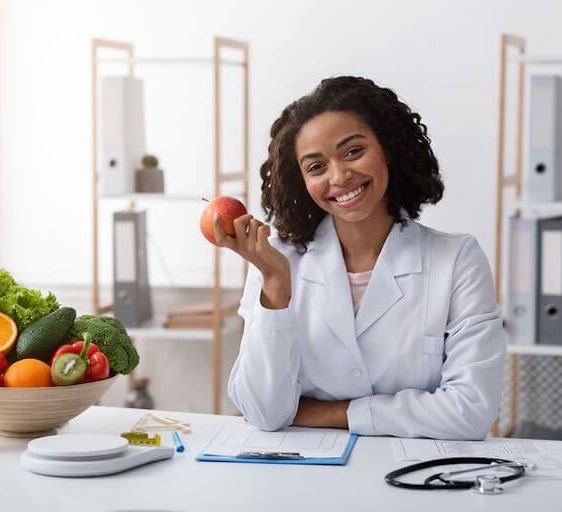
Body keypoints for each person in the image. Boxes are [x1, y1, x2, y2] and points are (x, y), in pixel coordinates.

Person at [214, 76, 506, 440]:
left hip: (417, 481)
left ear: (389, 148)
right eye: (316, 167)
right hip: (301, 478)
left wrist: (330, 412)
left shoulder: (458, 260)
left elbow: (471, 412)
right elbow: (262, 412)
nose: (339, 176)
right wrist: (275, 287)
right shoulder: (277, 262)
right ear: (300, 181)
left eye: (353, 152)